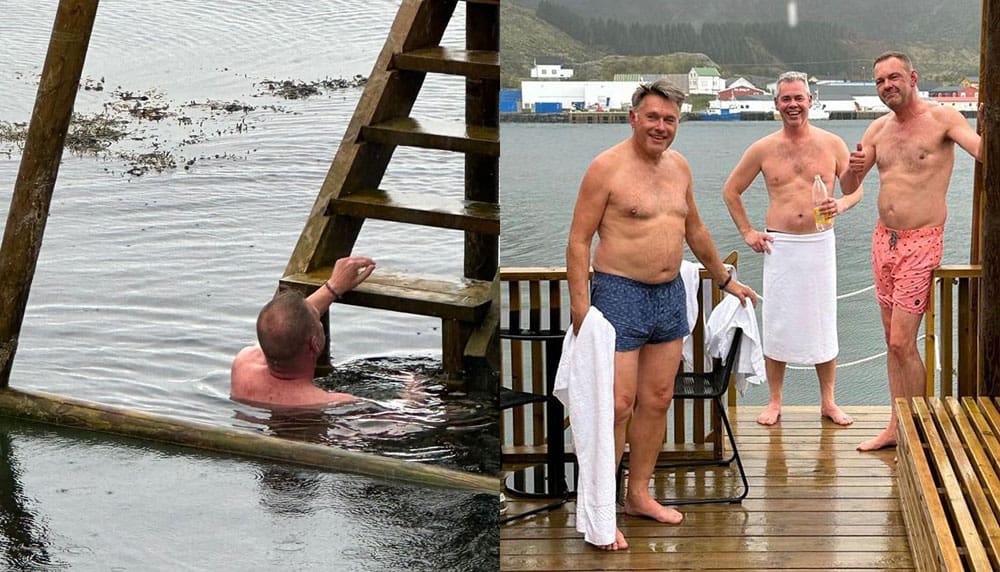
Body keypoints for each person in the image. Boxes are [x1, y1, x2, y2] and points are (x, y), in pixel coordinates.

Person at [566, 79, 757, 551]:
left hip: (669, 296)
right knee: (616, 406)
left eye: (670, 119)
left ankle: (638, 495)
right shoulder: (605, 168)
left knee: (656, 399)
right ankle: (600, 510)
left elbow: (694, 227)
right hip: (618, 296)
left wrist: (725, 278)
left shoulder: (679, 168)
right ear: (633, 117)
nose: (661, 126)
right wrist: (579, 307)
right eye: (652, 117)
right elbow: (578, 240)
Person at [848, 52, 981, 451]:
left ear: (912, 77)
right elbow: (847, 185)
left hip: (922, 241)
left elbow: (984, 151)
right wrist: (853, 167)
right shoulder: (877, 129)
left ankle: (920, 426)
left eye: (894, 77)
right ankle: (895, 424)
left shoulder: (943, 120)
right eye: (880, 81)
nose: (887, 85)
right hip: (882, 240)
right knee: (891, 339)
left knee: (903, 341)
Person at [722, 71, 864, 427]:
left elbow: (856, 188)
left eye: (799, 98)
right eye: (786, 99)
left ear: (810, 101)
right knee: (779, 321)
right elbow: (731, 191)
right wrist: (748, 232)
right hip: (779, 245)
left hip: (819, 242)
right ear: (776, 105)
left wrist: (841, 206)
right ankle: (774, 401)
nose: (793, 105)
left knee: (823, 321)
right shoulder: (763, 148)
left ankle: (829, 401)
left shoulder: (831, 143)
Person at [231, 255, 376, 407]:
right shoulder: (336, 403)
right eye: (318, 322)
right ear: (314, 344)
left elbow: (282, 327)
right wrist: (405, 392)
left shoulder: (243, 366)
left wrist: (333, 287)